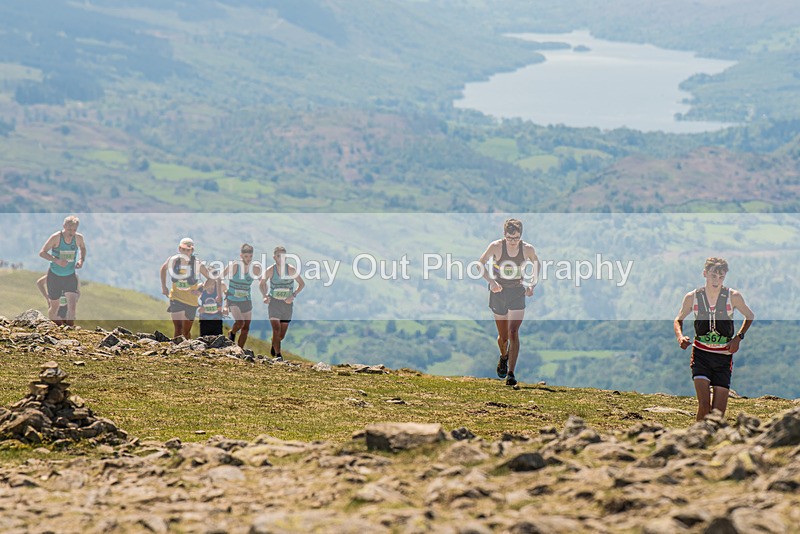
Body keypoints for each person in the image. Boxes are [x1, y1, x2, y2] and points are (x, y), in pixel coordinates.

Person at [674, 257, 754, 421]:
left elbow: (750, 316)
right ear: (705, 274)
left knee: (717, 414)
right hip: (701, 355)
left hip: (723, 358)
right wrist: (680, 337)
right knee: (704, 406)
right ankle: (695, 441)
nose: (717, 280)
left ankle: (712, 443)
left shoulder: (733, 297)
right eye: (713, 275)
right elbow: (678, 319)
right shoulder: (692, 297)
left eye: (721, 276)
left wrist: (738, 338)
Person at [478, 219, 540, 387]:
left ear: (521, 236)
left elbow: (536, 264)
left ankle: (511, 374)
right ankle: (503, 356)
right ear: (504, 235)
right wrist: (491, 282)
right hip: (499, 292)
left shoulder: (527, 249)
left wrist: (532, 284)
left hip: (517, 291)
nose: (513, 242)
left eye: (516, 238)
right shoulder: (496, 246)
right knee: (503, 337)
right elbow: (480, 263)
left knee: (513, 332)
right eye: (510, 238)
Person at [38, 215, 86, 326]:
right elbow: (42, 253)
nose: (71, 232)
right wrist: (56, 261)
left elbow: (83, 247)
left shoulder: (78, 238)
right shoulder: (56, 237)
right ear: (64, 226)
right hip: (55, 276)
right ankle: (53, 327)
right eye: (69, 229)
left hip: (70, 276)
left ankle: (70, 330)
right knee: (54, 307)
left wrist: (81, 260)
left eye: (74, 230)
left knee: (72, 307)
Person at [159, 237, 210, 339]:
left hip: (191, 301)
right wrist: (164, 287)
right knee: (178, 328)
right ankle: (176, 351)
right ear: (179, 249)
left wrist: (201, 289)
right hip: (175, 298)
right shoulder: (173, 260)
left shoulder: (197, 264)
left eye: (188, 250)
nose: (185, 252)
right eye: (183, 249)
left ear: (192, 250)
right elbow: (163, 269)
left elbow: (211, 278)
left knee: (186, 332)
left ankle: (187, 349)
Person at [260, 246, 304, 359]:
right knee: (276, 329)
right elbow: (262, 283)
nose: (281, 259)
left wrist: (293, 295)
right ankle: (278, 356)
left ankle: (274, 343)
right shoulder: (271, 270)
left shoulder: (291, 269)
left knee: (281, 335)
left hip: (287, 305)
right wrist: (265, 296)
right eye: (279, 256)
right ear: (274, 257)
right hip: (274, 303)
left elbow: (301, 284)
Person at [223, 243, 263, 349]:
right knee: (240, 322)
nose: (248, 259)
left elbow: (262, 282)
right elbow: (220, 277)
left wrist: (266, 294)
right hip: (233, 299)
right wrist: (222, 291)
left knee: (246, 328)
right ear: (241, 256)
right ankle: (232, 332)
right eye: (246, 256)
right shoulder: (235, 266)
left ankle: (239, 350)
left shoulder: (255, 268)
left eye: (250, 256)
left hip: (246, 299)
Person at [198, 268, 226, 337]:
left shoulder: (221, 286)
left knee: (217, 341)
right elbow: (193, 296)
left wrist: (226, 307)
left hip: (217, 318)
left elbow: (228, 295)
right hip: (204, 319)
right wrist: (198, 307)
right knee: (204, 341)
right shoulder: (201, 286)